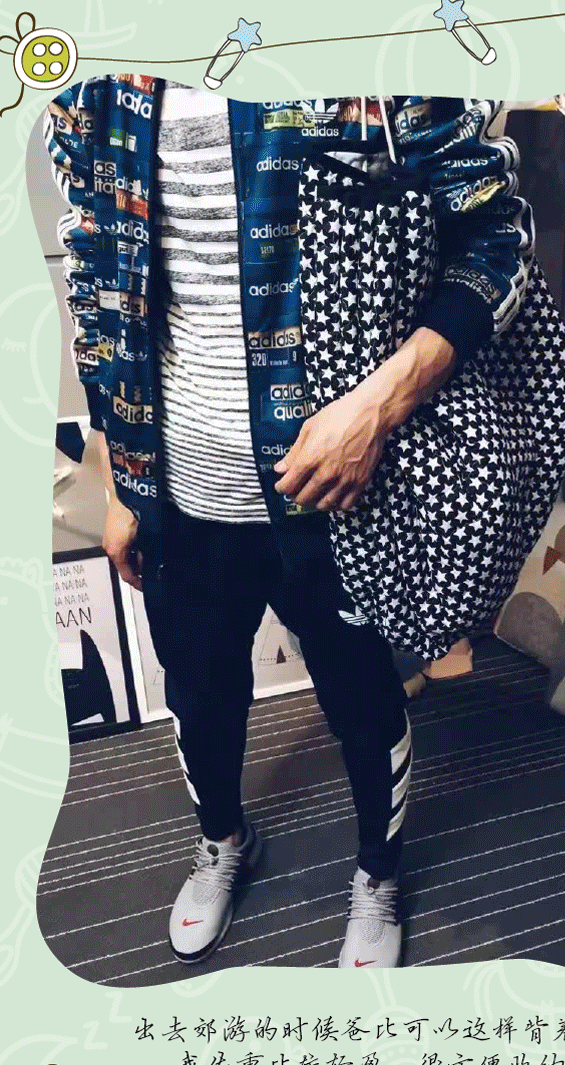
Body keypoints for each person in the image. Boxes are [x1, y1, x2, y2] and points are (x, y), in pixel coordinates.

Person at [44, 81, 534, 969]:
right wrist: (117, 477)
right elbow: (97, 286)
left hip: (340, 494)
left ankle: (379, 873)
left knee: (363, 701)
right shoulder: (96, 87)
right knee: (199, 698)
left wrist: (377, 408)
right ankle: (223, 841)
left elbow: (497, 241)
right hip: (175, 490)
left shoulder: (365, 54)